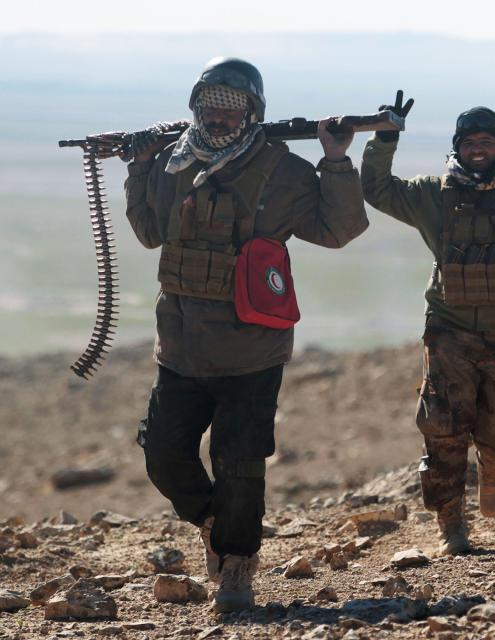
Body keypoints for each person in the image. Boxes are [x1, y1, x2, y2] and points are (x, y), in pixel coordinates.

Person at [124, 57, 368, 611]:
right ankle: (214, 523)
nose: (218, 117)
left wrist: (335, 162)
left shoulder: (283, 170)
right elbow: (148, 233)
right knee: (163, 454)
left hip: (251, 350)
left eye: (232, 107)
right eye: (209, 104)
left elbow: (338, 229)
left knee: (239, 461)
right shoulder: (172, 162)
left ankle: (236, 564)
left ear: (254, 112)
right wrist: (140, 169)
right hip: (182, 348)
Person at [361, 95, 495, 554]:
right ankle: (451, 524)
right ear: (457, 148)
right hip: (449, 330)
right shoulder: (433, 194)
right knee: (443, 428)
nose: (479, 149)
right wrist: (385, 137)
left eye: (488, 141)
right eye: (470, 142)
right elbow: (378, 190)